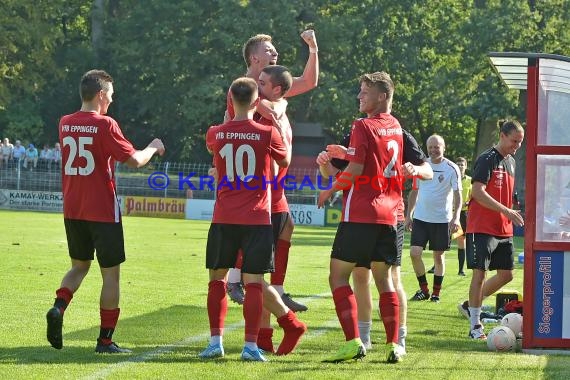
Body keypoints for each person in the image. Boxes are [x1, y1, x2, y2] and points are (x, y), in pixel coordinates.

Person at [45, 69, 165, 353]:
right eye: (110, 94)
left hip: (73, 209)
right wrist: (153, 147)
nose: (112, 99)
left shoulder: (65, 123)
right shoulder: (105, 124)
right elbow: (135, 160)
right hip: (102, 210)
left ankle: (59, 308)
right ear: (100, 94)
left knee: (79, 266)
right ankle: (105, 340)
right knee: (110, 276)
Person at [200, 76, 306, 362]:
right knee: (255, 281)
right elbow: (284, 162)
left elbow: (214, 149)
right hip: (257, 217)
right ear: (257, 101)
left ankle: (215, 342)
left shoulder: (216, 133)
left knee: (217, 279)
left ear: (231, 100)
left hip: (224, 217)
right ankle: (250, 346)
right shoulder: (266, 133)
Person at [317, 71, 416, 364]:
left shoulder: (361, 125)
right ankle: (395, 344)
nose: (359, 96)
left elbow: (358, 169)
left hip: (360, 212)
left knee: (338, 276)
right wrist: (345, 151)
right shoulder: (395, 126)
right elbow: (371, 156)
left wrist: (331, 189)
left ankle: (353, 342)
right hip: (388, 215)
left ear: (382, 96)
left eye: (365, 92)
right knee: (384, 280)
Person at [317, 126, 432, 354]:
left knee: (391, 277)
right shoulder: (355, 132)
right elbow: (330, 171)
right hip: (363, 213)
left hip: (392, 214)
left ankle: (399, 339)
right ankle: (365, 337)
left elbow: (428, 170)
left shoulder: (400, 132)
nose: (361, 98)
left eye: (365, 92)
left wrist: (415, 169)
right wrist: (323, 162)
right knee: (361, 275)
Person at [225, 30, 318, 311]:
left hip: (273, 171)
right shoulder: (244, 86)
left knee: (285, 225)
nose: (275, 53)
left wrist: (313, 49)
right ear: (254, 57)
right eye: (269, 50)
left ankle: (275, 289)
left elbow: (310, 81)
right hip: (255, 171)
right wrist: (280, 102)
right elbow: (268, 110)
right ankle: (234, 280)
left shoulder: (270, 84)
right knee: (257, 228)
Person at [465, 120, 524, 340]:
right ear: (502, 135)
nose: (517, 146)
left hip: (503, 228)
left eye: (520, 142)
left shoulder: (511, 161)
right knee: (479, 274)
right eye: (514, 141)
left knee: (506, 275)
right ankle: (475, 326)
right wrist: (506, 211)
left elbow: (508, 195)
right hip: (481, 226)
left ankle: (469, 304)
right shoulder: (486, 159)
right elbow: (478, 192)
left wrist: (513, 211)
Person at [405, 134, 462, 302]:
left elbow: (458, 195)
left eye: (437, 147)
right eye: (430, 147)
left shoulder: (452, 168)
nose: (433, 150)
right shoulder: (422, 166)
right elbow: (414, 191)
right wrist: (409, 215)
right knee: (415, 253)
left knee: (438, 256)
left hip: (442, 220)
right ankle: (424, 290)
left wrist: (456, 217)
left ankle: (436, 293)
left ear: (443, 148)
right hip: (421, 219)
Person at [455, 157, 472, 276]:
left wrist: (467, 202)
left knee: (461, 240)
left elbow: (474, 196)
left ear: (466, 166)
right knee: (442, 239)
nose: (460, 166)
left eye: (462, 164)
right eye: (458, 164)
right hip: (450, 213)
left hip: (463, 214)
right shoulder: (451, 178)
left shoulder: (470, 180)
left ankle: (461, 269)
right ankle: (436, 266)